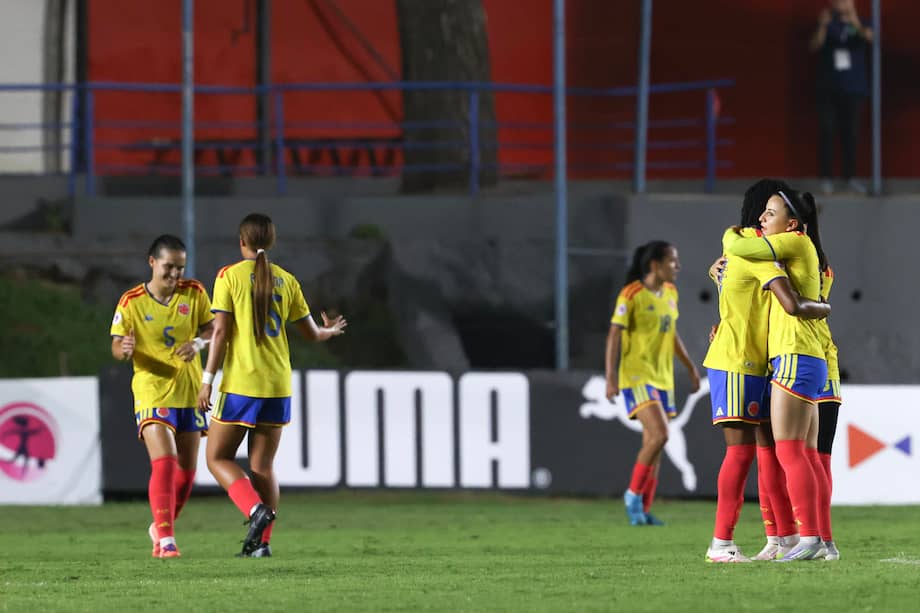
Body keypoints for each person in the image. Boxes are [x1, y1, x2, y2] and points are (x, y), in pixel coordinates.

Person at [197, 213, 346, 557]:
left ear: (241, 242)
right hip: (278, 385)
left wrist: (207, 380)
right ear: (272, 241)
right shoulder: (287, 280)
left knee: (217, 457)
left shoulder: (229, 276)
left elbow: (220, 333)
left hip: (242, 383)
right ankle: (261, 545)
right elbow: (312, 334)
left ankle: (255, 510)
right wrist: (330, 330)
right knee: (262, 468)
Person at [703, 182, 830, 563]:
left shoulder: (763, 250)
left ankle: (787, 538)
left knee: (774, 453)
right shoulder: (758, 253)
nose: (763, 218)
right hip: (741, 361)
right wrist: (823, 307)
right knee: (752, 453)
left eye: (770, 213)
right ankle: (727, 543)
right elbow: (787, 300)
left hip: (765, 361)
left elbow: (780, 300)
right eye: (764, 211)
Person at [110, 234, 214, 559]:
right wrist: (124, 348)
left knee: (187, 473)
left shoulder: (194, 292)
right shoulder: (131, 301)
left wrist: (197, 343)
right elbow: (116, 345)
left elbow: (213, 329)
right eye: (169, 267)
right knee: (165, 462)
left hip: (188, 388)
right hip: (152, 390)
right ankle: (167, 540)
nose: (174, 274)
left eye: (180, 268)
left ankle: (160, 527)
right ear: (152, 262)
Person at [605, 241, 701, 526]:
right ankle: (633, 495)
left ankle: (642, 512)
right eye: (672, 261)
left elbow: (671, 334)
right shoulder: (631, 294)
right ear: (655, 265)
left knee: (653, 445)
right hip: (636, 375)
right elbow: (614, 335)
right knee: (661, 435)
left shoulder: (671, 292)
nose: (678, 266)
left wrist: (690, 367)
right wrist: (610, 377)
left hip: (663, 378)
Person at [810, 0, 874, 195]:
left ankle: (850, 177)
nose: (841, 3)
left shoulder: (863, 22)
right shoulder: (827, 22)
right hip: (828, 89)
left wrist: (854, 20)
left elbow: (870, 38)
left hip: (854, 89)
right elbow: (814, 46)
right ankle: (826, 178)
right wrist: (822, 25)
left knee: (851, 133)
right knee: (827, 131)